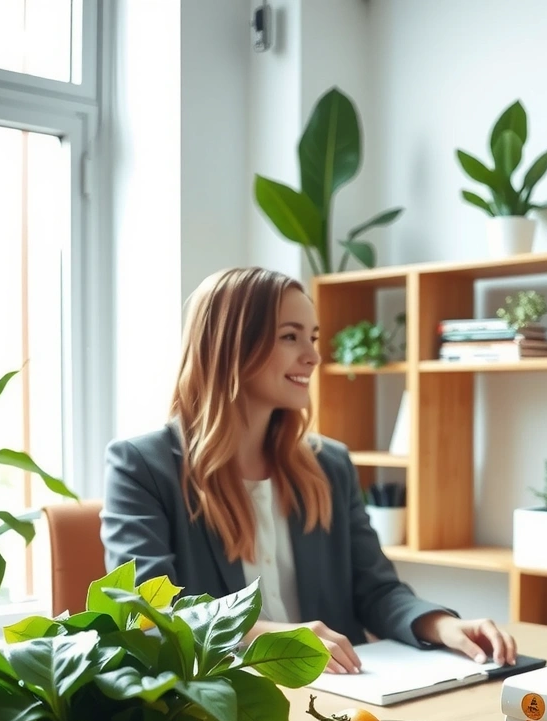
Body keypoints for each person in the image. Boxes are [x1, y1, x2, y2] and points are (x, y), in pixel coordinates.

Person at [101, 266, 517, 676]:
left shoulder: (329, 465)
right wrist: (272, 637)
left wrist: (441, 625)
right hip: (216, 705)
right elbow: (150, 615)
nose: (313, 355)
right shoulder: (141, 467)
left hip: (337, 699)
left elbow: (377, 590)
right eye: (290, 336)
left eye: (313, 337)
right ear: (230, 345)